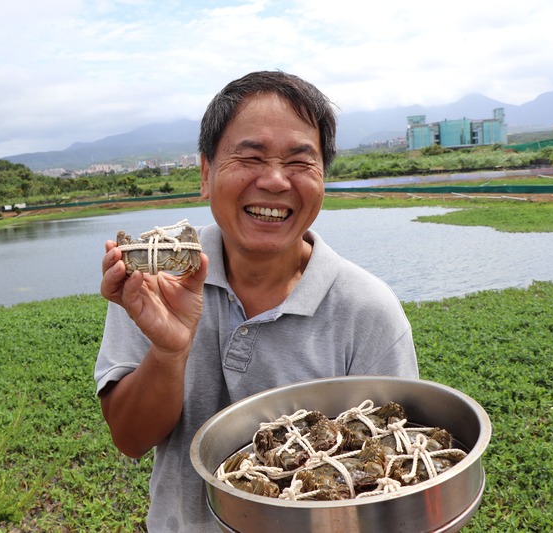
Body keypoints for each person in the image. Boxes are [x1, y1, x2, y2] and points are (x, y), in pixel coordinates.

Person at [94, 70, 419, 532]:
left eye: (299, 162)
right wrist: (168, 352)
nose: (274, 180)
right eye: (250, 157)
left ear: (323, 177)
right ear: (206, 173)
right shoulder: (154, 278)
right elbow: (129, 438)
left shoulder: (368, 312)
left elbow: (394, 469)